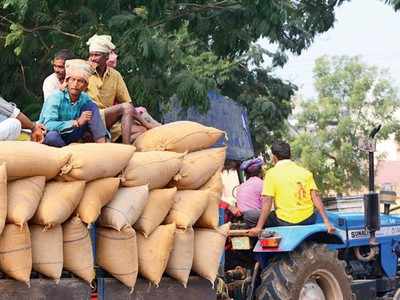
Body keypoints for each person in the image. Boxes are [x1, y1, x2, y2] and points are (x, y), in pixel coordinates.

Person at [248, 141, 335, 237]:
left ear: (274, 157)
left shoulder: (271, 174)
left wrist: (258, 227)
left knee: (250, 216)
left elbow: (267, 202)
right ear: (290, 155)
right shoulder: (305, 172)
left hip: (285, 221)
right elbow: (316, 198)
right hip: (308, 220)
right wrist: (327, 222)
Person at [86, 34, 160, 144]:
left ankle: (145, 128)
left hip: (109, 120)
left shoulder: (115, 75)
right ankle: (127, 146)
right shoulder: (84, 72)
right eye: (91, 55)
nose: (92, 58)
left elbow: (127, 102)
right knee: (127, 108)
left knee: (142, 131)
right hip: (91, 117)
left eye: (96, 55)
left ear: (106, 57)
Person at [39, 59, 107, 147]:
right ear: (67, 81)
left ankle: (102, 145)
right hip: (54, 134)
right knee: (52, 137)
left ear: (85, 86)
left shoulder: (85, 98)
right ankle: (68, 153)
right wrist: (76, 122)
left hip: (72, 134)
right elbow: (48, 125)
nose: (75, 84)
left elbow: (96, 120)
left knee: (92, 106)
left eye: (80, 81)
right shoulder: (56, 97)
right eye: (73, 80)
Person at [234, 158, 264, 228]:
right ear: (260, 172)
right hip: (254, 218)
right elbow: (266, 205)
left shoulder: (241, 186)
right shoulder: (261, 183)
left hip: (242, 218)